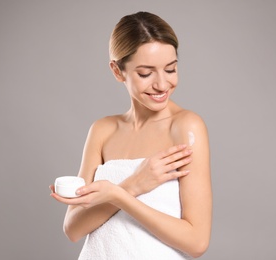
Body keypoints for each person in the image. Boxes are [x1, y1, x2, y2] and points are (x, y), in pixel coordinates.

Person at [50, 11, 212, 259]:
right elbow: (73, 229)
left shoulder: (185, 127)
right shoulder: (102, 130)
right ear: (117, 71)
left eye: (170, 69)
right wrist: (133, 185)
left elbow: (197, 242)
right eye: (146, 73)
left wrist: (119, 195)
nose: (161, 84)